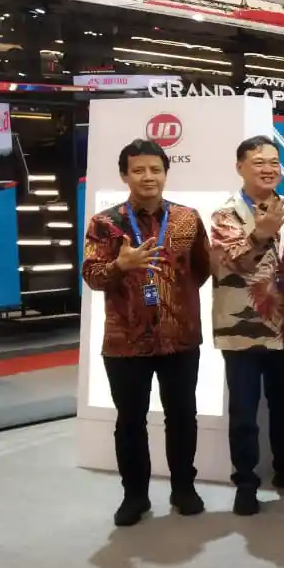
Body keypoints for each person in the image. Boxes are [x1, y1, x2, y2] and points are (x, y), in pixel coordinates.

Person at [80, 139, 212, 527]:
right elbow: (91, 276)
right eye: (138, 170)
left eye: (155, 169)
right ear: (125, 175)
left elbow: (202, 269)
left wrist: (175, 299)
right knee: (130, 421)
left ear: (166, 173)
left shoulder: (187, 218)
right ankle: (134, 496)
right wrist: (119, 267)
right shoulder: (105, 223)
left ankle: (183, 489)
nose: (148, 177)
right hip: (125, 341)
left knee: (182, 416)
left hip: (180, 337)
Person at [210, 136, 284, 516]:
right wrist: (261, 233)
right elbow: (233, 263)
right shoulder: (225, 215)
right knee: (244, 414)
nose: (268, 169)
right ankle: (246, 483)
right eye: (258, 162)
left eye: (273, 162)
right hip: (243, 332)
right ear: (240, 167)